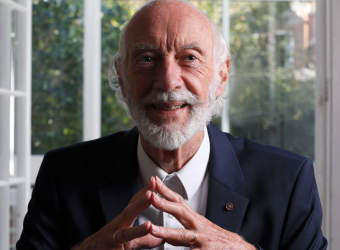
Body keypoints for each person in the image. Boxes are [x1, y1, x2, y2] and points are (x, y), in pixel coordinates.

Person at [17, 0, 327, 249]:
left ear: (221, 77)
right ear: (122, 78)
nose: (167, 81)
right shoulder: (62, 175)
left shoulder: (288, 181)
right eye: (146, 59)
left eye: (189, 58)